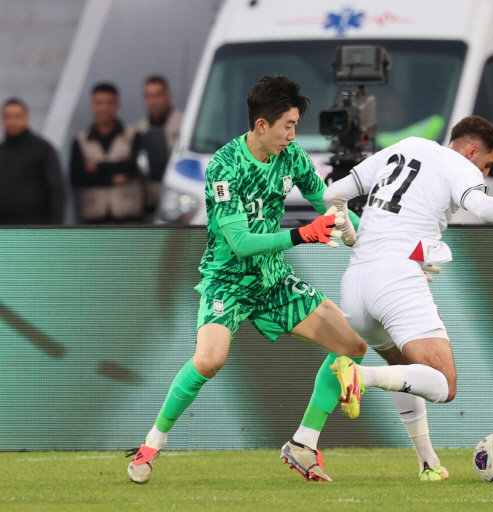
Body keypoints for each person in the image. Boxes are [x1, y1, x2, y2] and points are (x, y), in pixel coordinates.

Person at [126, 75, 367, 484]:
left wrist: (383, 247)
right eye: (288, 125)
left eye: (294, 125)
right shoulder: (224, 165)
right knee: (210, 360)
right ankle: (151, 445)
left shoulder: (292, 158)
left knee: (353, 346)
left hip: (273, 280)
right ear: (261, 125)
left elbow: (330, 206)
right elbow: (238, 242)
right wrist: (301, 234)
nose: (293, 135)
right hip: (228, 280)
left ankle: (303, 444)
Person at [324, 116, 493, 477]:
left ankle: (427, 461)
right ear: (472, 149)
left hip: (355, 282)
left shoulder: (405, 146)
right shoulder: (459, 165)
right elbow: (486, 208)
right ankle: (360, 377)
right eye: (488, 164)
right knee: (444, 383)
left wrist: (351, 236)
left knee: (404, 370)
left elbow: (331, 195)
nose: (486, 174)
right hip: (394, 278)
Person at [70, 82, 143, 223]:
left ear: (117, 105)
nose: (104, 108)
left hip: (129, 217)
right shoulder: (80, 140)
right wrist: (110, 180)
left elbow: (135, 167)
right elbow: (78, 177)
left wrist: (98, 167)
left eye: (109, 103)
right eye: (99, 103)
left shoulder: (133, 135)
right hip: (94, 218)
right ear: (92, 105)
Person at [0, 98, 65, 224]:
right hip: (4, 230)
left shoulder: (43, 149)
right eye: (7, 116)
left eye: (17, 116)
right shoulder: (1, 152)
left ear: (26, 119)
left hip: (36, 228)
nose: (12, 121)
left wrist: (56, 228)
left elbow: (57, 190)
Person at [133, 75, 183, 217]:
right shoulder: (139, 130)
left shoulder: (186, 125)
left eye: (158, 95)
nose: (154, 101)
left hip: (180, 199)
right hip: (150, 202)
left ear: (168, 95)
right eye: (149, 96)